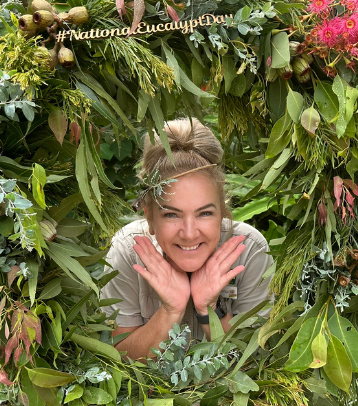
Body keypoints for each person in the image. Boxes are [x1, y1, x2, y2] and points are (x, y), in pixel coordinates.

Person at [100, 118, 273, 361]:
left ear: (222, 212)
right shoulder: (129, 250)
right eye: (172, 214)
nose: (189, 233)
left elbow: (254, 363)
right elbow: (119, 358)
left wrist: (209, 310)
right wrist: (170, 311)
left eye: (205, 213)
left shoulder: (250, 250)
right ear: (149, 217)